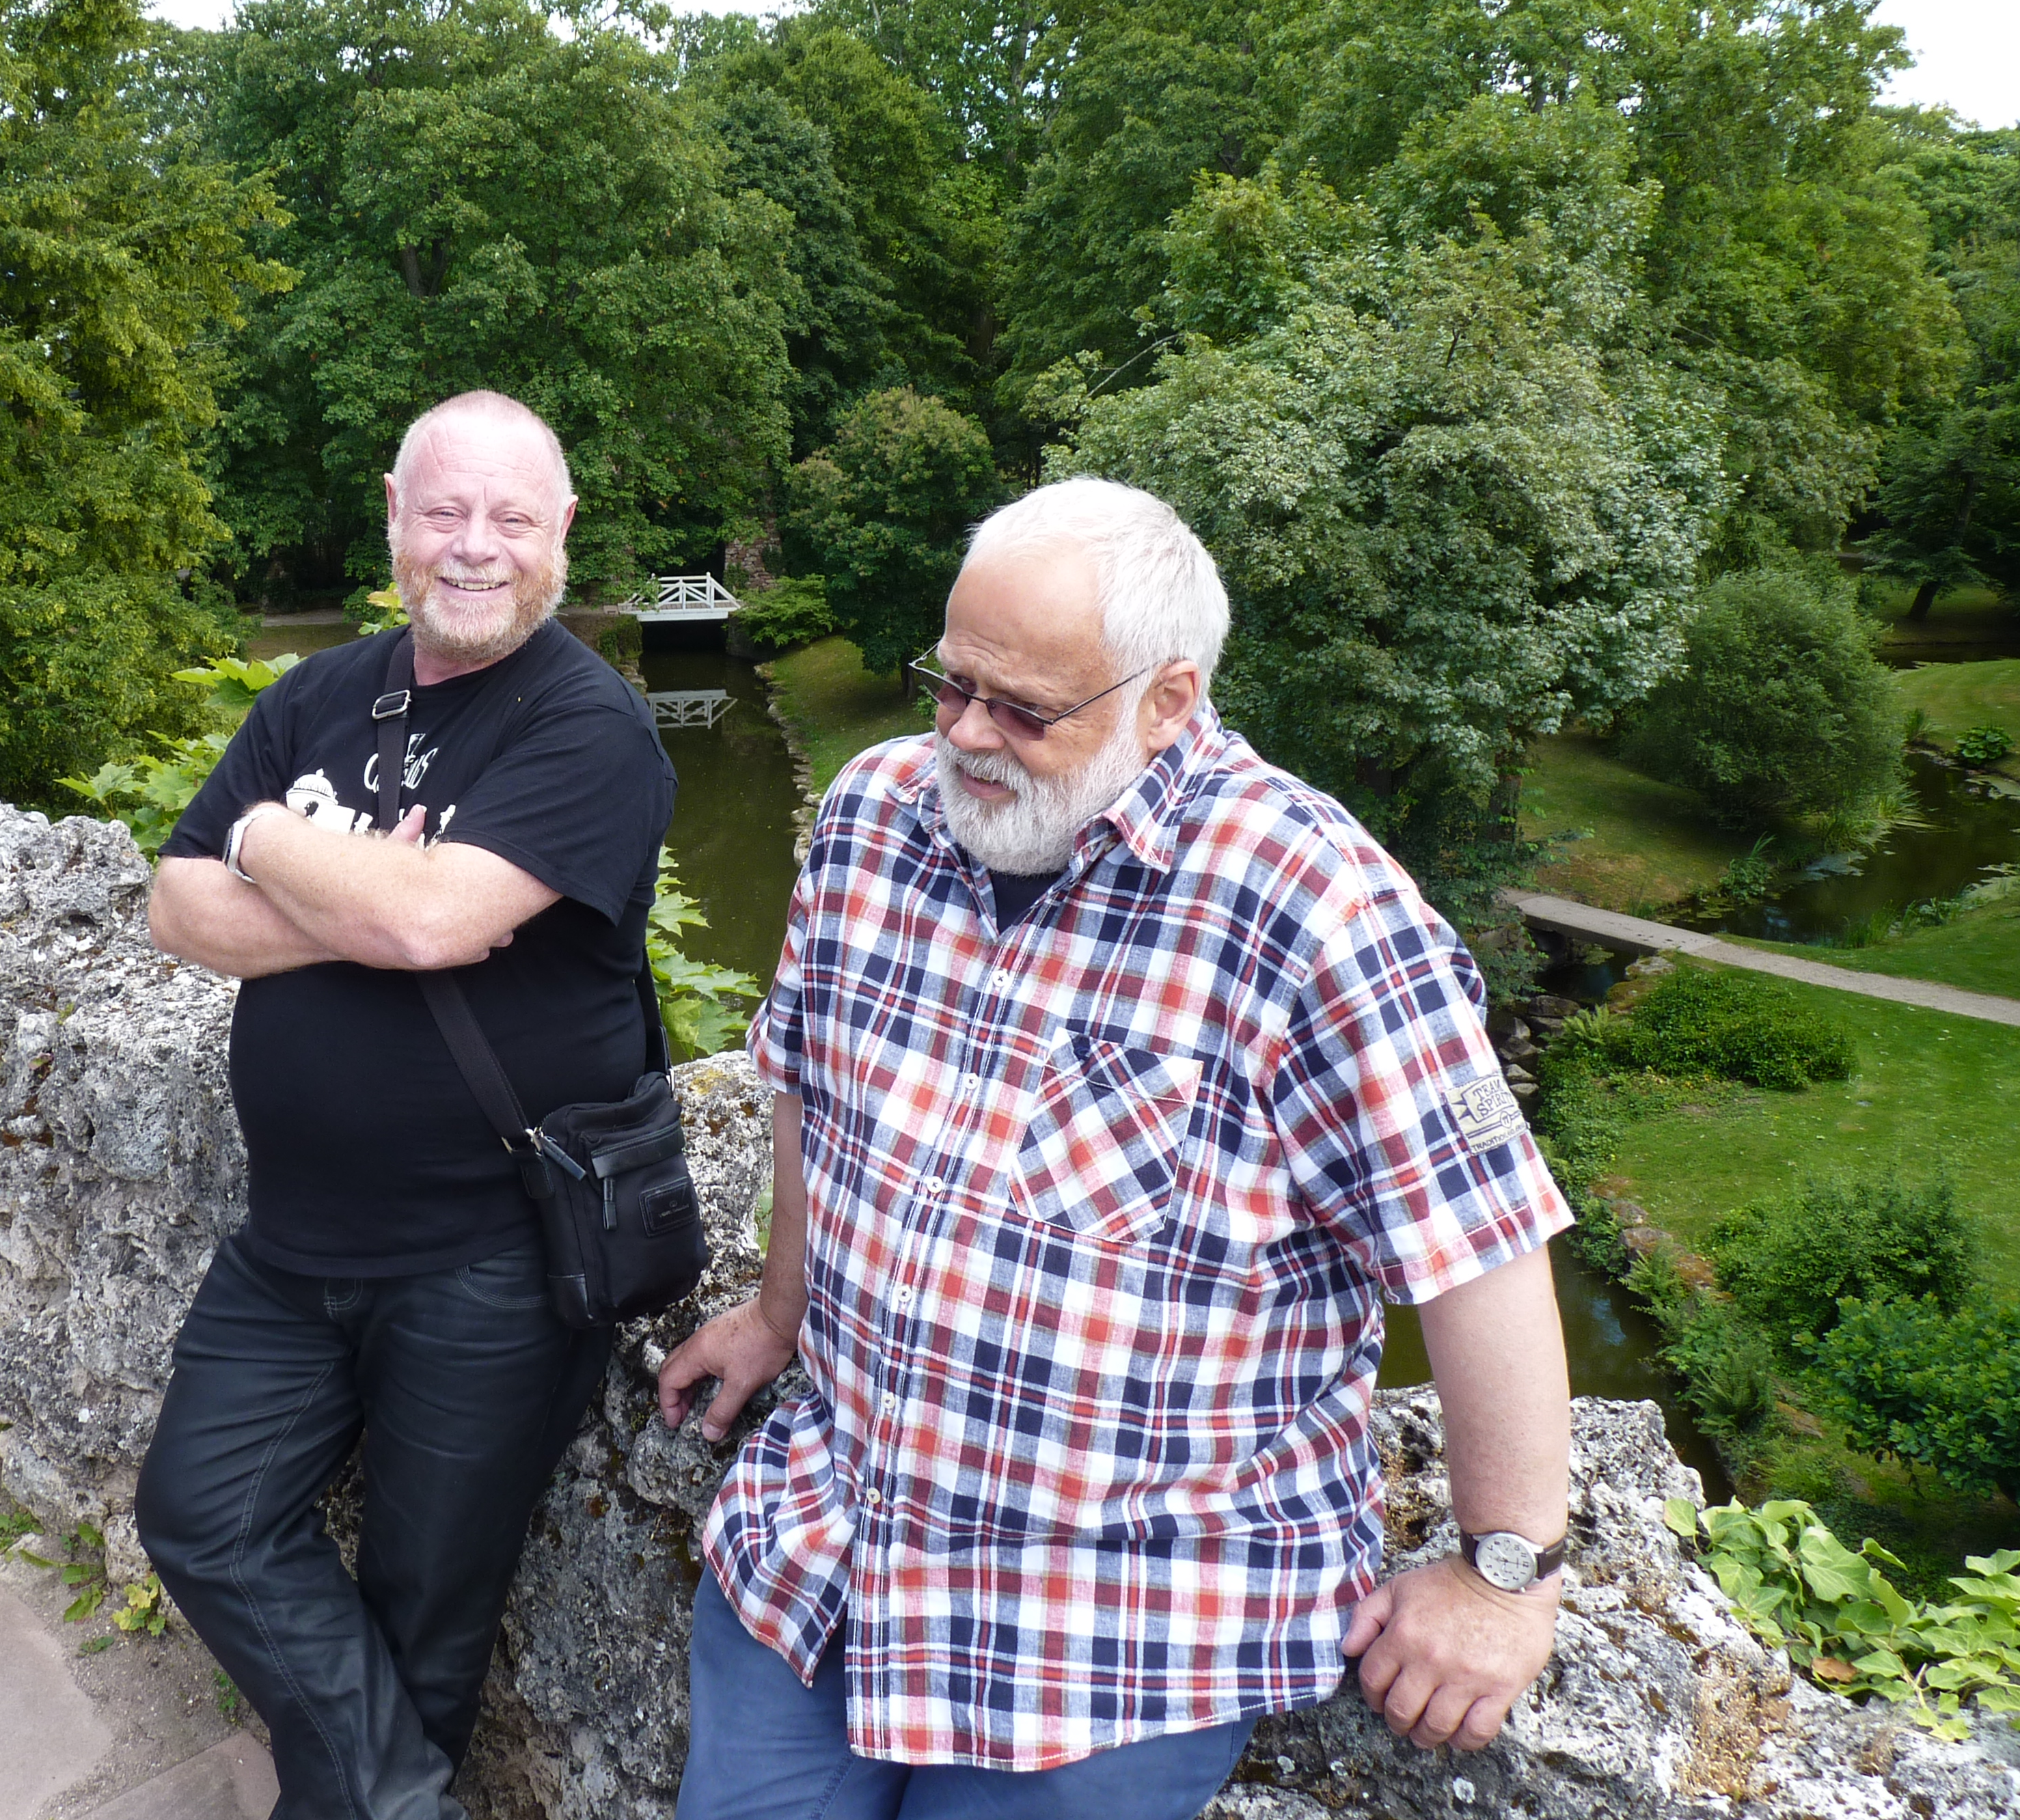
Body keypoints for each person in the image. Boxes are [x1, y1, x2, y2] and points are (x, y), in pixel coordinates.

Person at [657, 477, 1574, 1820]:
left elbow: (1477, 1244)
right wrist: (776, 1309)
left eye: (1023, 709)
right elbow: (809, 1084)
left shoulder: (1310, 909)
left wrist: (1502, 1575)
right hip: (827, 1543)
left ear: (1165, 699)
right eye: (948, 682)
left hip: (1112, 1625)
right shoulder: (867, 816)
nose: (964, 734)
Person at [137, 390, 676, 1820]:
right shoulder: (320, 694)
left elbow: (438, 924)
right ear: (394, 514)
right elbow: (178, 906)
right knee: (198, 1517)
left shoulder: (590, 726)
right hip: (290, 1242)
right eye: (444, 512)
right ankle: (398, 1805)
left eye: (510, 517)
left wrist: (275, 840)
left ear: (561, 532)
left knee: (424, 1623)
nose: (474, 547)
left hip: (489, 1262)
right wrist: (343, 889)